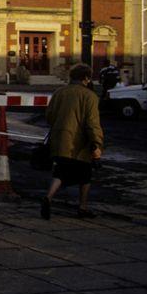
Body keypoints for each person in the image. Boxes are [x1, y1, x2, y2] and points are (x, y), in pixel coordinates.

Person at [41, 63, 104, 220]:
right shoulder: (89, 96)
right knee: (85, 175)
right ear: (86, 78)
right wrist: (97, 143)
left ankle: (48, 197)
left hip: (60, 139)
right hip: (79, 143)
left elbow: (49, 116)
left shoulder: (60, 92)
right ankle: (82, 207)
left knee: (61, 172)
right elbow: (92, 122)